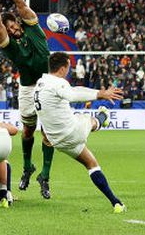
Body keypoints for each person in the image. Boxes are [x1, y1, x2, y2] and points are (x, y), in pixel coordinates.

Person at [0, 0, 55, 198]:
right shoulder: (9, 45)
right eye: (9, 27)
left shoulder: (33, 26)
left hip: (49, 85)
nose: (13, 29)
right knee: (28, 131)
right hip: (27, 88)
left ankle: (44, 174)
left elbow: (21, 4)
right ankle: (27, 166)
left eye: (14, 25)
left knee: (49, 133)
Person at [34, 52, 125, 213]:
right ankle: (102, 116)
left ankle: (116, 203)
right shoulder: (57, 83)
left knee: (91, 164)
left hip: (58, 141)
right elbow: (73, 93)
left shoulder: (40, 84)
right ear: (63, 68)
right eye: (69, 67)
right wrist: (101, 93)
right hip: (72, 132)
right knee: (89, 120)